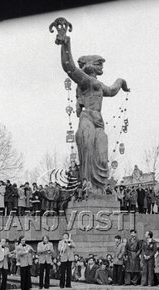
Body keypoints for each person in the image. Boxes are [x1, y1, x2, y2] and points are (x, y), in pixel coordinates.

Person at [53, 21, 129, 190]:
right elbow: (69, 67)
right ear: (90, 65)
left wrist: (122, 82)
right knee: (87, 152)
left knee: (102, 156)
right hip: (87, 118)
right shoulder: (85, 81)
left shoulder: (99, 85)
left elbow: (113, 89)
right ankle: (87, 185)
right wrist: (66, 43)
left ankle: (100, 188)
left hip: (99, 120)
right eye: (99, 63)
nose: (101, 66)